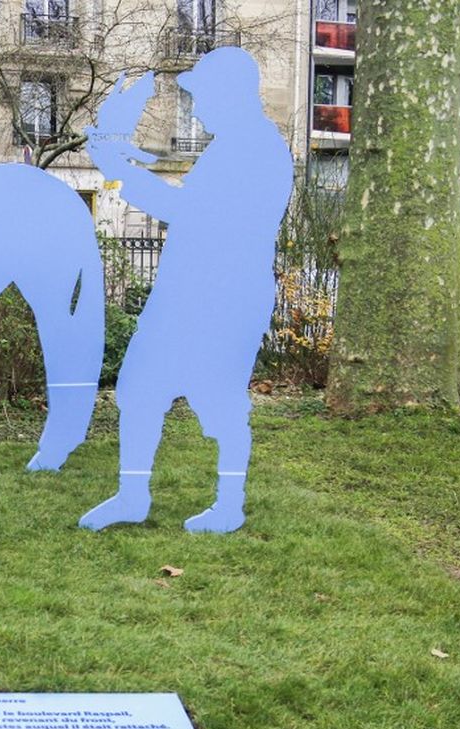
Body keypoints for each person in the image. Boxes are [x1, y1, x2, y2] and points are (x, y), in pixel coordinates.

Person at [80, 47, 293, 533]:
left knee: (220, 401)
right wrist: (123, 167)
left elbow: (190, 213)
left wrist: (120, 170)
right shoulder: (233, 145)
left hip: (223, 298)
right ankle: (132, 496)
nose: (198, 107)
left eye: (204, 96)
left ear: (231, 94)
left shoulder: (254, 148)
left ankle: (229, 506)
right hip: (190, 294)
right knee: (139, 388)